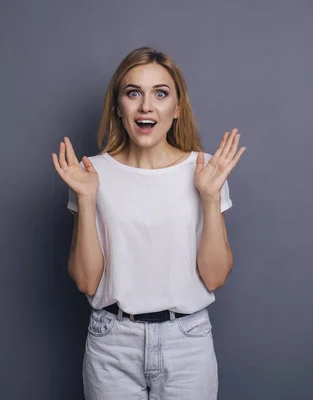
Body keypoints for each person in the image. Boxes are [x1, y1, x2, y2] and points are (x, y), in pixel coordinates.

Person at [51, 47, 246, 400]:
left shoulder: (205, 170)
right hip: (112, 344)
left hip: (187, 342)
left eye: (160, 93)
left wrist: (210, 197)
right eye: (133, 93)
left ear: (176, 109)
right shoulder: (92, 174)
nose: (146, 106)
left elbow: (215, 276)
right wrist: (87, 197)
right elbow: (86, 280)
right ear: (118, 107)